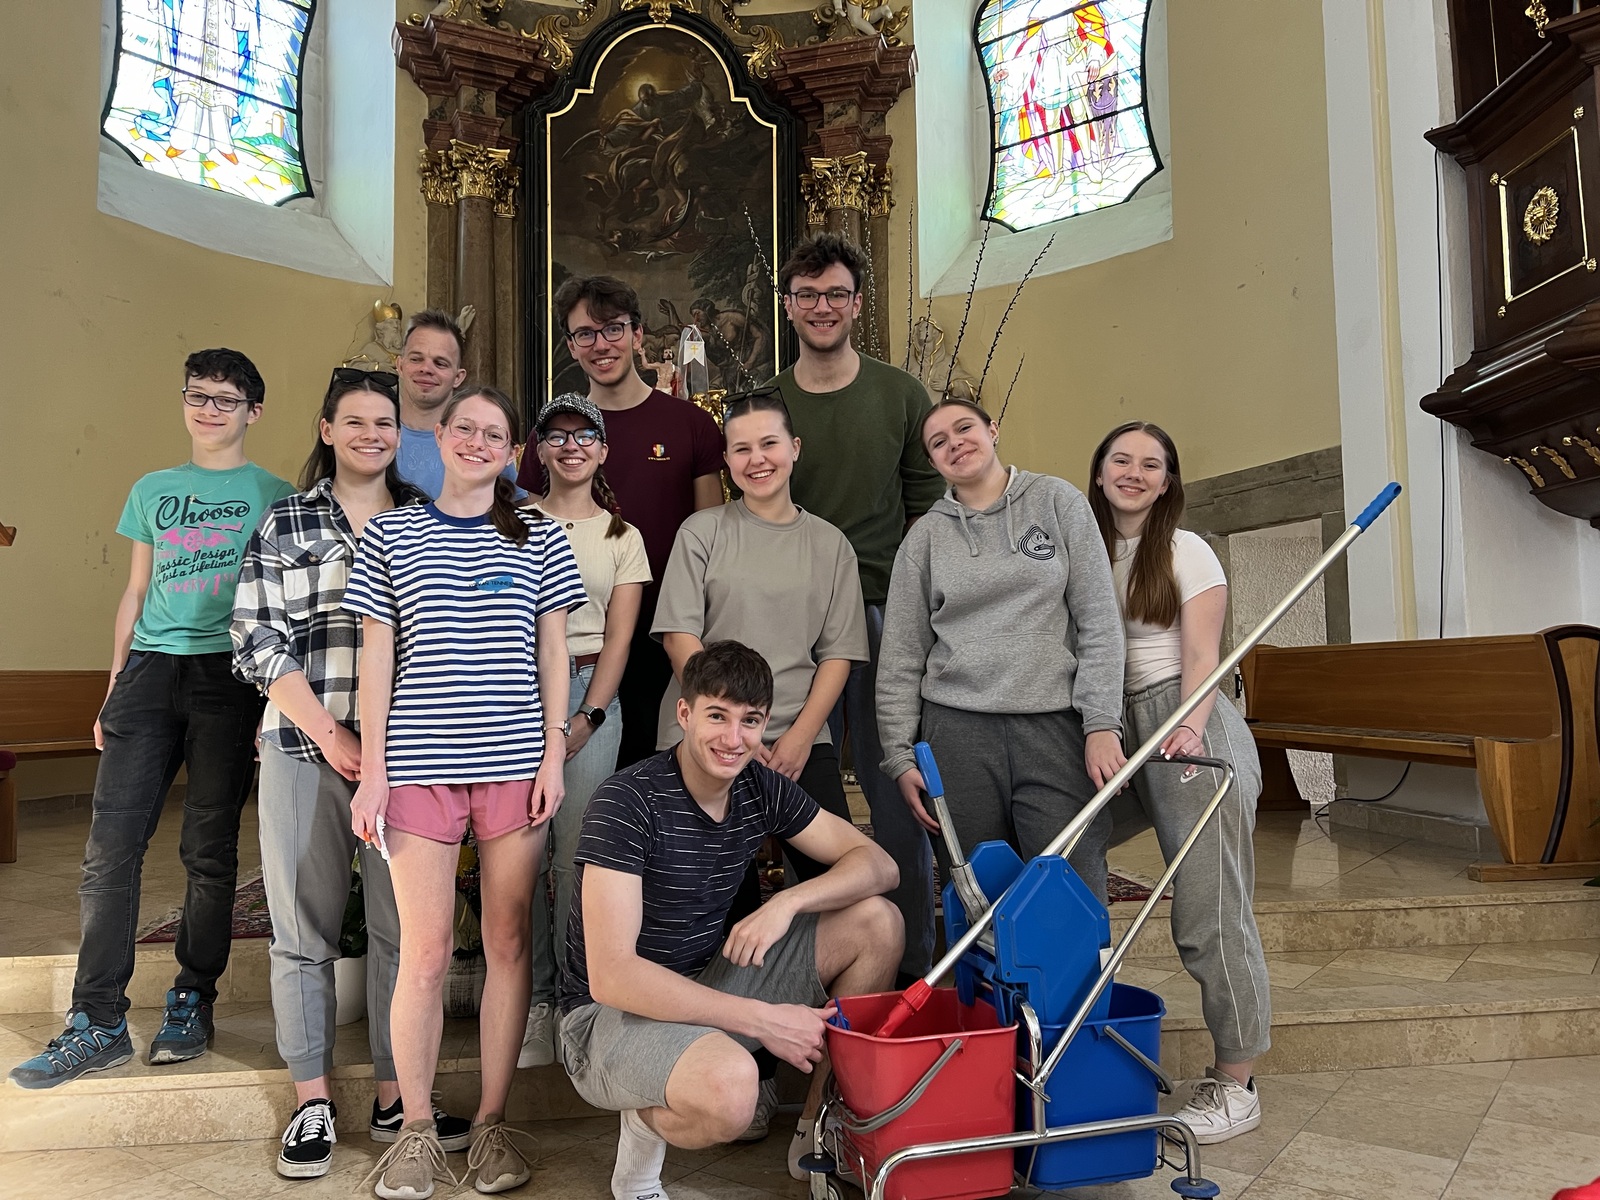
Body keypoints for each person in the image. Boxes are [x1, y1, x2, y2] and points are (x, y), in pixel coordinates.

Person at [8, 350, 295, 1089]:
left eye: (226, 399)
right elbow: (136, 592)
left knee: (208, 851)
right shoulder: (152, 488)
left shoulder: (275, 494)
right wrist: (115, 683)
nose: (209, 409)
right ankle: (97, 1019)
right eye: (198, 395)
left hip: (229, 676)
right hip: (148, 673)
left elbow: (282, 603)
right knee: (109, 851)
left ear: (254, 412)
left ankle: (192, 998)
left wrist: (274, 702)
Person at [343, 385, 588, 1199]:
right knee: (425, 951)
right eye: (466, 428)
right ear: (441, 436)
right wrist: (374, 770)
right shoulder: (392, 533)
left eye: (495, 433)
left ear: (512, 451)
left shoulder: (540, 536)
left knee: (509, 942)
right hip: (418, 764)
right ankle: (416, 1130)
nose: (479, 442)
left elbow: (554, 655)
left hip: (515, 763)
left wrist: (553, 754)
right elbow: (377, 659)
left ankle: (490, 1123)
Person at [230, 368, 473, 1179]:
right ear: (327, 430)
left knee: (406, 932)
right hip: (307, 748)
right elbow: (256, 639)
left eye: (385, 422)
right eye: (356, 421)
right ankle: (313, 1101)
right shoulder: (287, 519)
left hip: (408, 759)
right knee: (304, 931)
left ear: (403, 435)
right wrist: (332, 734)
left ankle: (399, 1093)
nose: (372, 434)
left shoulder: (426, 518)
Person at [558, 641, 903, 1200]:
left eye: (750, 721)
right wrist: (764, 1021)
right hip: (605, 1018)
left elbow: (879, 866)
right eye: (717, 716)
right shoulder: (627, 801)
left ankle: (818, 1129)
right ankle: (640, 1147)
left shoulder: (757, 786)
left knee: (877, 923)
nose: (733, 738)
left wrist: (785, 903)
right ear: (685, 713)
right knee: (733, 1090)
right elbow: (612, 976)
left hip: (704, 981)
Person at [650, 389, 869, 1141]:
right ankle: (737, 1063)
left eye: (769, 444)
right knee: (720, 901)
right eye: (740, 448)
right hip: (708, 737)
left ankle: (827, 1096)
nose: (756, 459)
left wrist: (798, 735)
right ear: (727, 460)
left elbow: (837, 653)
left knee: (839, 894)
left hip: (799, 738)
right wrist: (732, 728)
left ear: (794, 449)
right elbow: (680, 635)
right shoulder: (703, 531)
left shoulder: (829, 545)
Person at [767, 233, 948, 982]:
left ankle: (911, 968)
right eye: (807, 295)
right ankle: (822, 959)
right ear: (787, 305)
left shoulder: (900, 394)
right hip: (791, 623)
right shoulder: (769, 402)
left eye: (835, 294)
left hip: (881, 611)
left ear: (857, 303)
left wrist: (912, 609)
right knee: (797, 785)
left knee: (893, 784)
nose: (821, 307)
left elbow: (927, 510)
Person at [1090, 421, 1270, 1144]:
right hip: (1115, 724)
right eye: (1121, 459)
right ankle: (1077, 1032)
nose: (1133, 472)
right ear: (1098, 471)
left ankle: (1237, 1082)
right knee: (1062, 846)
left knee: (1209, 909)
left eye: (1151, 464)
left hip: (1187, 724)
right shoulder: (1086, 549)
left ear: (1168, 482)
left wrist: (1190, 726)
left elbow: (1203, 655)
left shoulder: (1183, 548)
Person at [877, 396, 1126, 907]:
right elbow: (901, 656)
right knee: (978, 899)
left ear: (993, 430)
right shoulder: (924, 539)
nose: (955, 444)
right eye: (939, 442)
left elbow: (1099, 622)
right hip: (957, 733)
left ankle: (1078, 969)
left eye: (964, 428)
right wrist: (900, 755)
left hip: (1053, 726)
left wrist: (1102, 722)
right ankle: (984, 967)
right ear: (932, 461)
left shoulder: (1057, 502)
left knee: (1072, 891)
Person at [518, 276, 723, 770]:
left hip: (666, 636)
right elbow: (525, 541)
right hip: (571, 645)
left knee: (655, 782)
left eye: (613, 329)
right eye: (584, 334)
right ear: (571, 346)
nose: (600, 344)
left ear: (637, 334)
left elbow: (712, 537)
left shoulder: (690, 424)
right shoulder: (553, 436)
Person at [520, 394, 651, 1071]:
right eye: (557, 435)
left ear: (602, 450)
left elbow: (620, 640)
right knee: (520, 858)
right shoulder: (510, 522)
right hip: (513, 696)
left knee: (575, 858)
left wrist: (588, 717)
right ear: (539, 449)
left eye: (584, 436)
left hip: (590, 695)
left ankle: (576, 1000)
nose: (571, 446)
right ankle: (534, 1000)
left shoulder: (622, 537)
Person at [392, 309, 519, 499]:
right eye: (416, 359)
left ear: (458, 377)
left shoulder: (483, 444)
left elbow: (516, 507)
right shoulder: (374, 435)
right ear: (400, 366)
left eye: (440, 363)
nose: (426, 368)